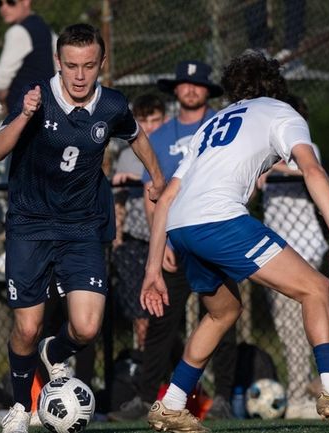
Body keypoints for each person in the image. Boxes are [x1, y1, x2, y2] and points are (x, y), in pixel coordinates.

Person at [141, 50, 329, 432]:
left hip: (181, 227)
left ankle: (172, 403)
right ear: (277, 86)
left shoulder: (212, 123)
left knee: (222, 312)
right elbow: (312, 169)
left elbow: (167, 198)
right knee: (317, 288)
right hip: (219, 220)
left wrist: (152, 269)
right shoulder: (281, 112)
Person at [0, 23, 166, 433]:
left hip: (82, 226)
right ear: (58, 63)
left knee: (86, 328)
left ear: (101, 63)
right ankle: (20, 406)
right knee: (26, 327)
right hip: (30, 225)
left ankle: (57, 349)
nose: (80, 76)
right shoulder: (36, 97)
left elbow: (135, 135)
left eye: (89, 66)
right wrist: (25, 115)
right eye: (71, 66)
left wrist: (155, 176)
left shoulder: (112, 105)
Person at [109, 60, 236, 422]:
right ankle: (146, 397)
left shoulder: (220, 126)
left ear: (207, 90)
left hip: (215, 234)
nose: (190, 89)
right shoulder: (160, 136)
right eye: (184, 83)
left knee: (224, 314)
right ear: (175, 89)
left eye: (198, 84)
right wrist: (159, 242)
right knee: (161, 319)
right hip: (176, 240)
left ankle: (224, 397)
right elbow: (156, 193)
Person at [257, 94, 328, 419]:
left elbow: (308, 169)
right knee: (288, 326)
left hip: (303, 249)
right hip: (275, 251)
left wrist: (273, 165)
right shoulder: (266, 154)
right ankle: (316, 387)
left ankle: (301, 396)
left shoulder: (306, 148)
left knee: (296, 326)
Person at [109, 93, 166, 350]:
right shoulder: (127, 154)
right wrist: (118, 237)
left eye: (156, 120)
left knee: (166, 319)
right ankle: (144, 367)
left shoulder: (170, 149)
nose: (151, 127)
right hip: (135, 240)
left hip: (166, 240)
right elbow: (118, 202)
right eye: (144, 120)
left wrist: (139, 178)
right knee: (141, 317)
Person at [0, 0, 56, 113]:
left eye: (11, 2)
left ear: (26, 2)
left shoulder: (18, 32)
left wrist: (2, 101)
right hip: (46, 106)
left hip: (23, 111)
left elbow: (0, 81)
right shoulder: (45, 28)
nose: (4, 8)